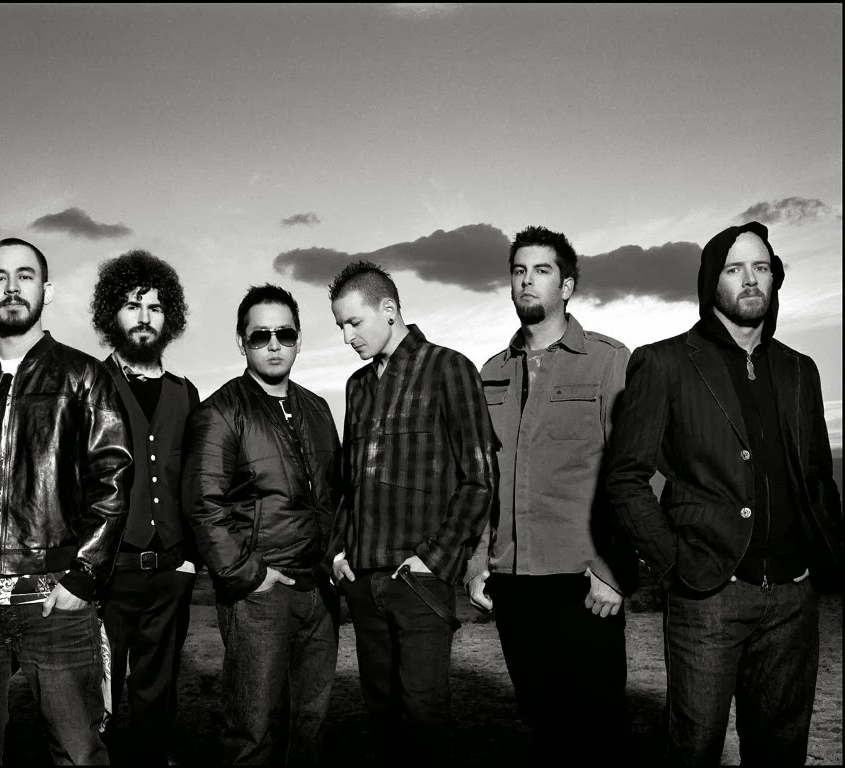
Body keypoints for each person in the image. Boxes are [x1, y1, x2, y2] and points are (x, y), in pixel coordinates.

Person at [607, 221, 843, 767]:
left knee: (781, 752)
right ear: (712, 280)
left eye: (761, 267)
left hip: (794, 598)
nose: (750, 279)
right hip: (709, 595)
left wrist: (826, 559)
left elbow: (816, 478)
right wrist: (676, 564)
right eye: (735, 269)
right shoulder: (664, 363)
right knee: (693, 749)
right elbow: (625, 478)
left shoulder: (801, 370)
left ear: (774, 279)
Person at [0, 237, 134, 765]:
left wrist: (83, 578)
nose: (12, 287)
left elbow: (113, 479)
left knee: (79, 754)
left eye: (25, 276)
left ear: (46, 291)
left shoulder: (83, 376)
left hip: (53, 602)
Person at [465, 225, 637, 763]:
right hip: (513, 583)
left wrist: (615, 569)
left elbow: (634, 472)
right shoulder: (490, 373)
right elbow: (482, 480)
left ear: (566, 286)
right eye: (518, 271)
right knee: (543, 729)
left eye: (541, 270)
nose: (527, 281)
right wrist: (477, 563)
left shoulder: (608, 361)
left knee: (598, 734)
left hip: (584, 582)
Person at [328, 260, 496, 763]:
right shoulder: (356, 387)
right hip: (363, 582)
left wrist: (435, 560)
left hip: (418, 581)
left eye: (354, 322)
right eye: (340, 326)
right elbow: (349, 482)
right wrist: (339, 551)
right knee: (381, 721)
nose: (347, 337)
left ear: (389, 309)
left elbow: (480, 477)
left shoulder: (449, 368)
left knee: (425, 721)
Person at [182, 284, 342, 766]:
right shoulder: (219, 411)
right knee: (253, 731)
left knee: (310, 726)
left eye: (284, 334)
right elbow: (203, 506)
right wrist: (250, 576)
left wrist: (334, 558)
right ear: (241, 341)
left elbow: (335, 494)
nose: (274, 345)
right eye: (260, 336)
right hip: (260, 594)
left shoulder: (318, 408)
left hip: (319, 591)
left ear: (299, 339)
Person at [90, 250, 200, 765]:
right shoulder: (88, 383)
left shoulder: (185, 392)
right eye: (132, 305)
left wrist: (190, 559)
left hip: (171, 571)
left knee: (159, 692)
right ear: (111, 314)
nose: (143, 317)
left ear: (168, 317)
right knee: (99, 694)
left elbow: (196, 482)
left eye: (155, 307)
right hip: (110, 571)